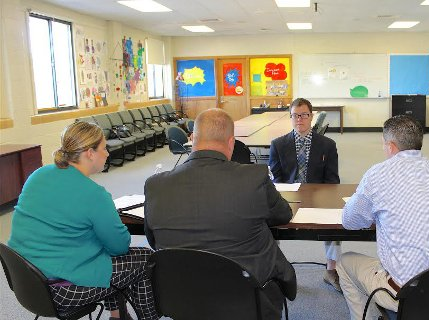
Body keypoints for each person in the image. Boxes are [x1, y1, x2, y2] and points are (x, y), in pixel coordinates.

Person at [144, 108, 297, 320]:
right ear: (231, 142)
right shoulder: (254, 177)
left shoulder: (155, 185)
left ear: (192, 138)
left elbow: (153, 241)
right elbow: (283, 215)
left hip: (182, 295)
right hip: (248, 295)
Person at [8, 122, 159, 320]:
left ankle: (117, 315)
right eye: (104, 148)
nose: (107, 153)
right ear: (89, 153)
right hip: (62, 290)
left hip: (25, 279)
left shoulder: (38, 175)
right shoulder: (94, 195)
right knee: (144, 258)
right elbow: (120, 247)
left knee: (104, 253)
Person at [337, 115, 429, 320]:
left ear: (390, 146)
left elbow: (350, 221)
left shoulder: (377, 175)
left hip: (407, 293)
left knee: (344, 262)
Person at [269, 97, 342, 291]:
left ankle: (331, 270)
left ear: (311, 117)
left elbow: (333, 180)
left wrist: (327, 202)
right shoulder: (278, 144)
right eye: (295, 116)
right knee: (268, 221)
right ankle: (275, 271)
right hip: (289, 197)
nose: (299, 119)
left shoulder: (327, 144)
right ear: (290, 117)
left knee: (335, 223)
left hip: (319, 195)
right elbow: (275, 180)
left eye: (304, 115)